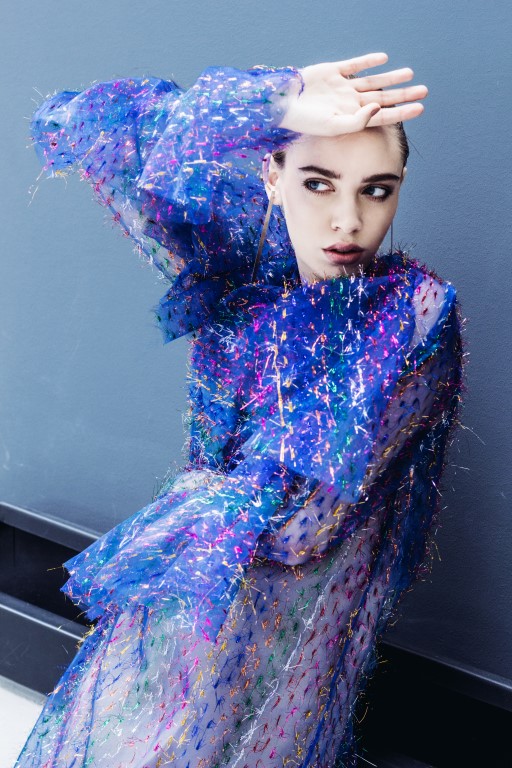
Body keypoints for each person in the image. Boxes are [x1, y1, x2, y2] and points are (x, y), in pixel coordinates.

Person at [18, 53, 463, 767]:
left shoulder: (412, 314)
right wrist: (270, 104)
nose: (348, 221)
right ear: (272, 177)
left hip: (284, 634)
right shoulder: (247, 269)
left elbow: (300, 522)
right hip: (181, 605)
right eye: (318, 183)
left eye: (376, 191)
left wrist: (184, 522)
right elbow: (81, 124)